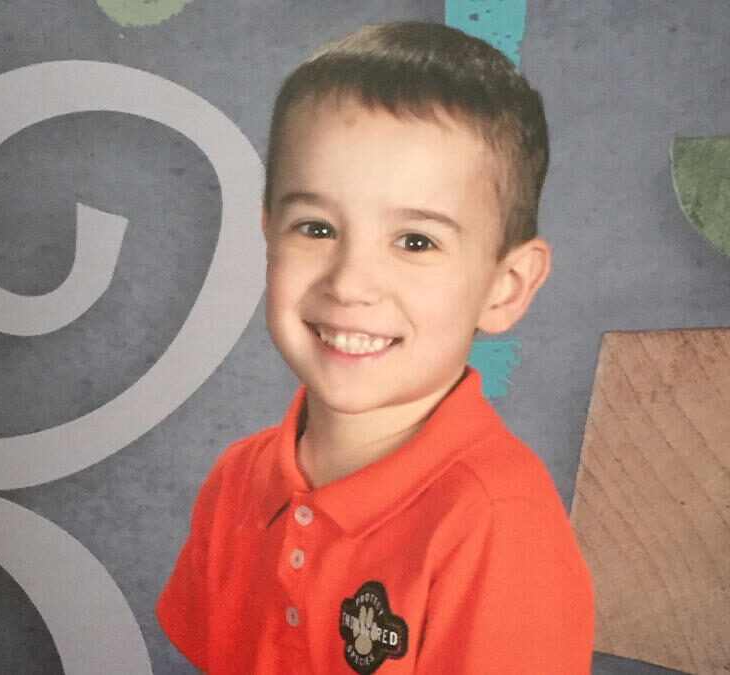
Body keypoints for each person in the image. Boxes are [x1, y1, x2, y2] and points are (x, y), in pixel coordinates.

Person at [157, 21, 594, 674]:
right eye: (317, 227)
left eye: (415, 241)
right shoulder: (237, 480)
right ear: (268, 234)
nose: (350, 282)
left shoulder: (499, 527)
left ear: (506, 287)